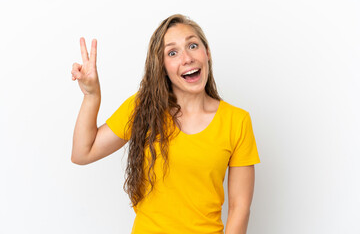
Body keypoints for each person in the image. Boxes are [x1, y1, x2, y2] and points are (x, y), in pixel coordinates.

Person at [71, 14, 260, 234]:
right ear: (162, 65)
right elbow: (82, 153)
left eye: (192, 45)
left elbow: (240, 208)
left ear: (206, 52)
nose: (187, 58)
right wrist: (92, 96)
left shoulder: (237, 121)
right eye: (172, 52)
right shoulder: (143, 106)